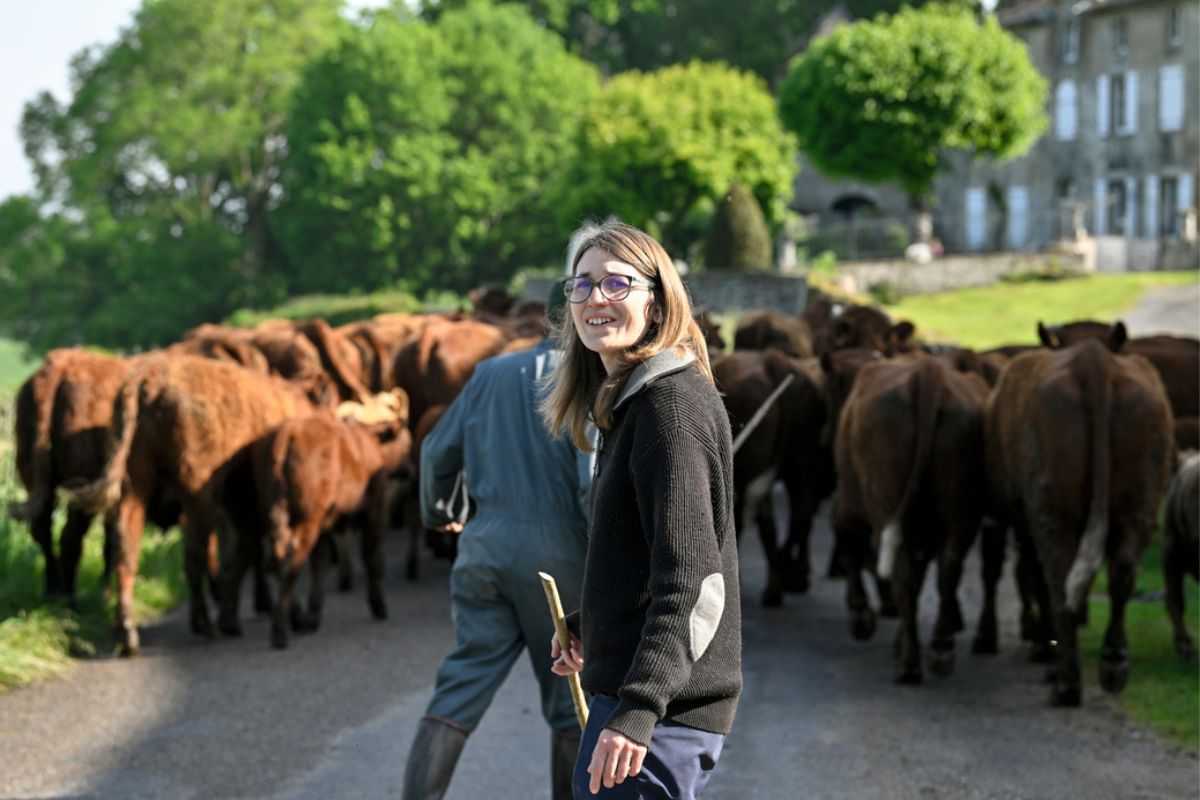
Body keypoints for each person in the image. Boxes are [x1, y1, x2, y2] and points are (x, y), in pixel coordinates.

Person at [542, 221, 742, 799]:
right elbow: (648, 560)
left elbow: (693, 586)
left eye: (616, 284)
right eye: (580, 285)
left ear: (656, 303)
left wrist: (638, 711)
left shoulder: (668, 410)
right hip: (641, 701)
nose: (594, 300)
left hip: (660, 718)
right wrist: (594, 623)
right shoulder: (634, 404)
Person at [402, 315, 594, 800]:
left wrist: (439, 510)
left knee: (460, 685)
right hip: (562, 556)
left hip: (483, 547)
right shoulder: (588, 379)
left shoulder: (489, 372)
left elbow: (435, 451)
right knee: (570, 698)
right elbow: (591, 482)